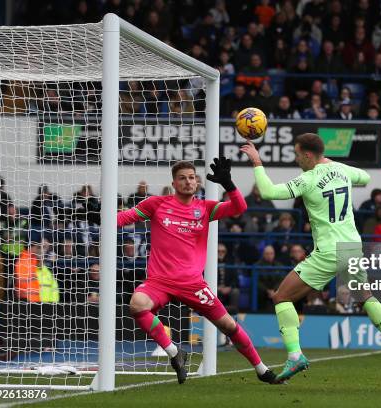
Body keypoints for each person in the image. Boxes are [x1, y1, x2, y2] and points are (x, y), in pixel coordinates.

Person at [240, 133, 381, 383]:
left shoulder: (307, 179)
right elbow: (365, 177)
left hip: (329, 250)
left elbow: (267, 191)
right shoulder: (341, 169)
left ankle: (295, 355)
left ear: (308, 155)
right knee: (365, 297)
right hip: (352, 246)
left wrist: (256, 161)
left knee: (281, 296)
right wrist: (331, 164)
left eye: (298, 155)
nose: (297, 159)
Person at [117, 159, 277, 384]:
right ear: (174, 183)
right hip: (159, 281)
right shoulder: (156, 204)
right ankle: (174, 352)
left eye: (191, 177)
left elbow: (239, 207)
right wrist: (99, 218)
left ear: (197, 182)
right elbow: (124, 218)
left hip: (193, 284)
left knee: (228, 326)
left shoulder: (205, 209)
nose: (188, 181)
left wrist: (229, 184)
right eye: (182, 178)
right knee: (137, 305)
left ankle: (262, 369)